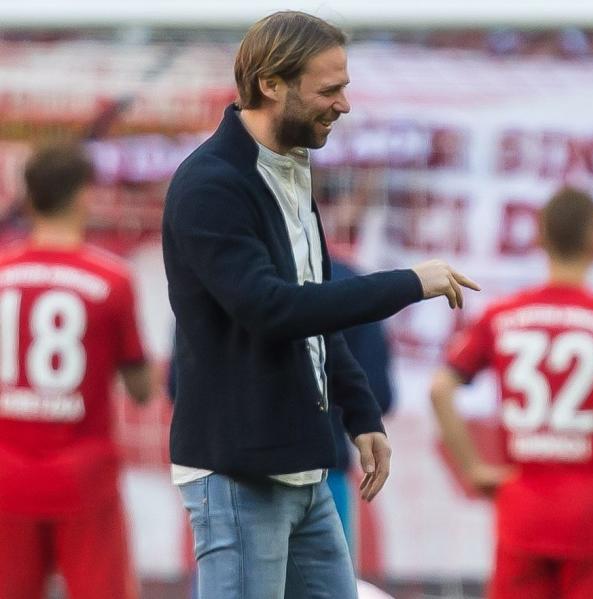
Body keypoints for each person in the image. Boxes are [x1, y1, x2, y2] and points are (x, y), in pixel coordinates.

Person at [162, 11, 478, 599]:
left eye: (345, 87)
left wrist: (359, 411)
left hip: (303, 464)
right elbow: (272, 309)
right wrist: (409, 282)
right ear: (270, 84)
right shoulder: (211, 185)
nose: (344, 105)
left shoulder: (289, 170)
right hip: (238, 471)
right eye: (329, 89)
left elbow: (314, 308)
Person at [430, 187, 593, 599]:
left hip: (521, 505)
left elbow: (441, 390)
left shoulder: (502, 315)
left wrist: (474, 470)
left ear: (540, 237)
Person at [0, 143, 152, 599]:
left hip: (5, 474)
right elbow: (140, 388)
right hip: (84, 478)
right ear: (86, 195)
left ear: (27, 198)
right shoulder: (111, 280)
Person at [329, 256, 396, 555]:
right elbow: (378, 394)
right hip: (320, 469)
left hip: (227, 473)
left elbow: (180, 384)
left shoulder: (215, 274)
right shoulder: (345, 281)